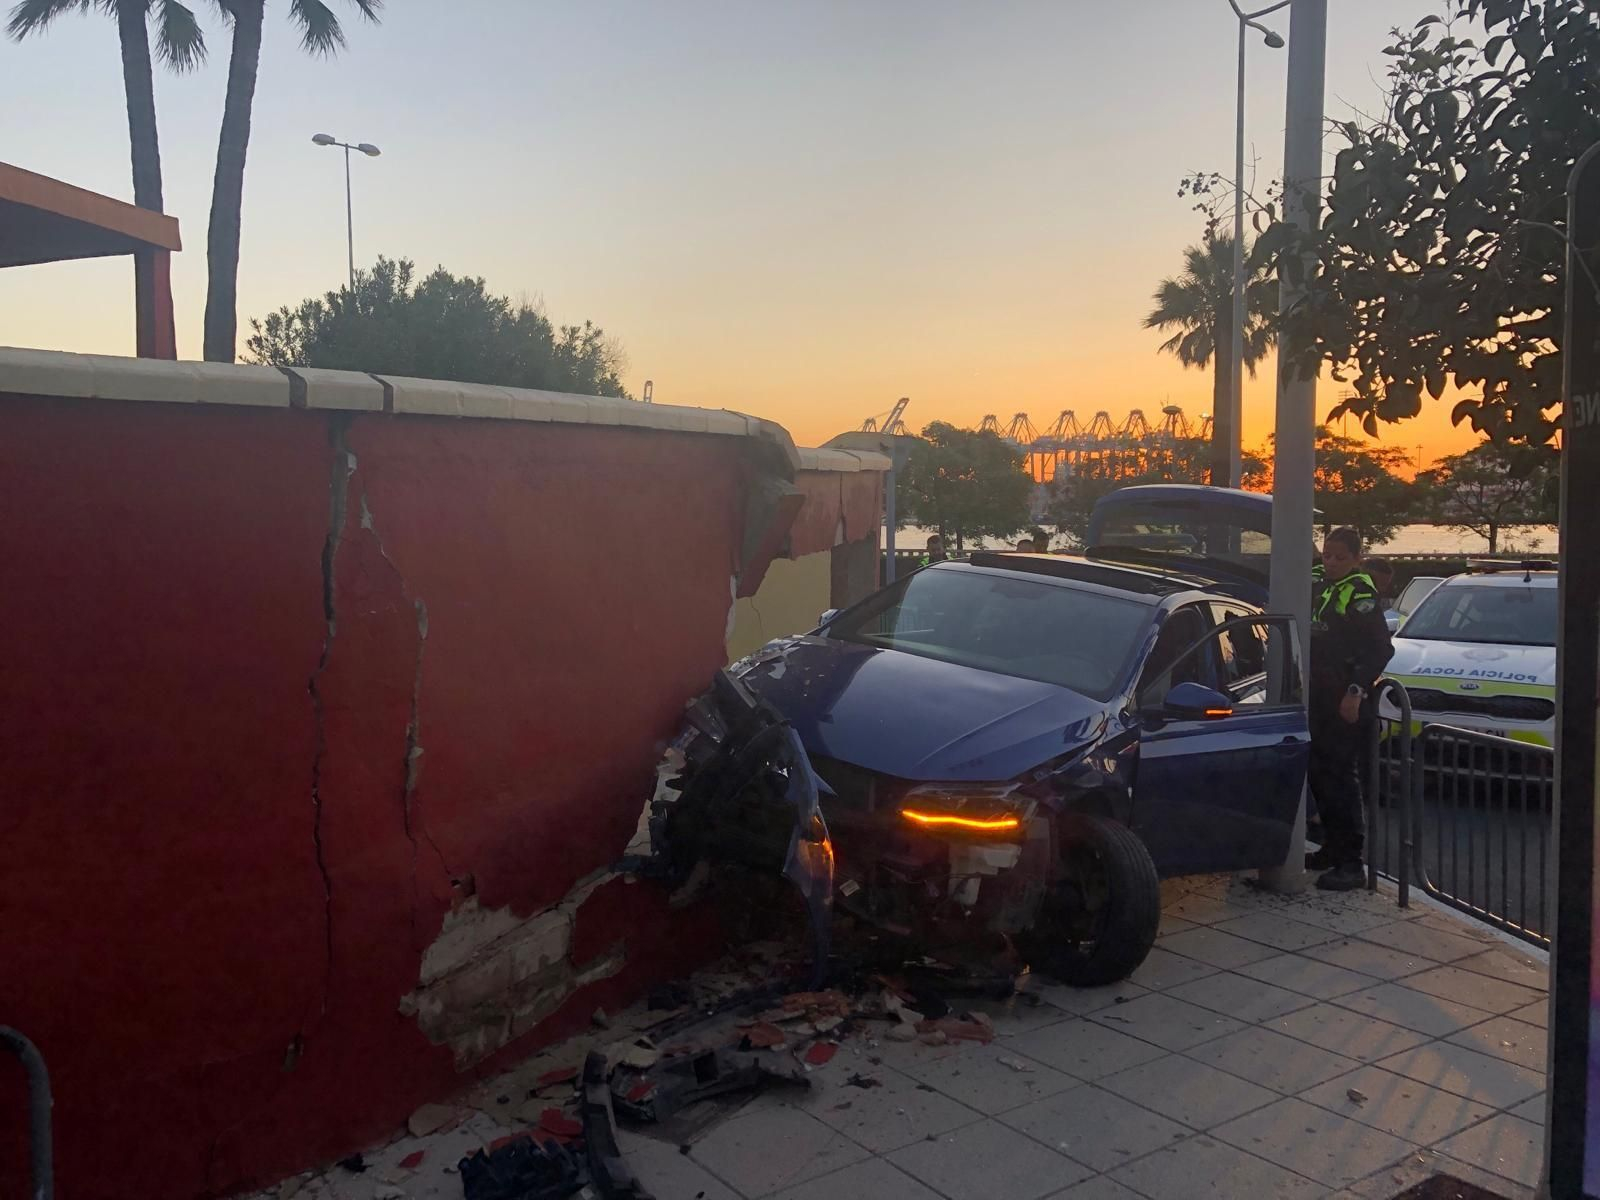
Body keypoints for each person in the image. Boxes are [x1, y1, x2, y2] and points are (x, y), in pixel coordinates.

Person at [1306, 527, 1394, 890]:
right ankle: (1331, 846)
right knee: (1320, 775)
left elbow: (1379, 650)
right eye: (1328, 555)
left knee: (1342, 778)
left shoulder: (1361, 595)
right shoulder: (1315, 583)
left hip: (1345, 698)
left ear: (1358, 559)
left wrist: (1355, 692)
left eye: (1341, 557)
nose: (1332, 562)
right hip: (1316, 696)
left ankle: (1351, 862)